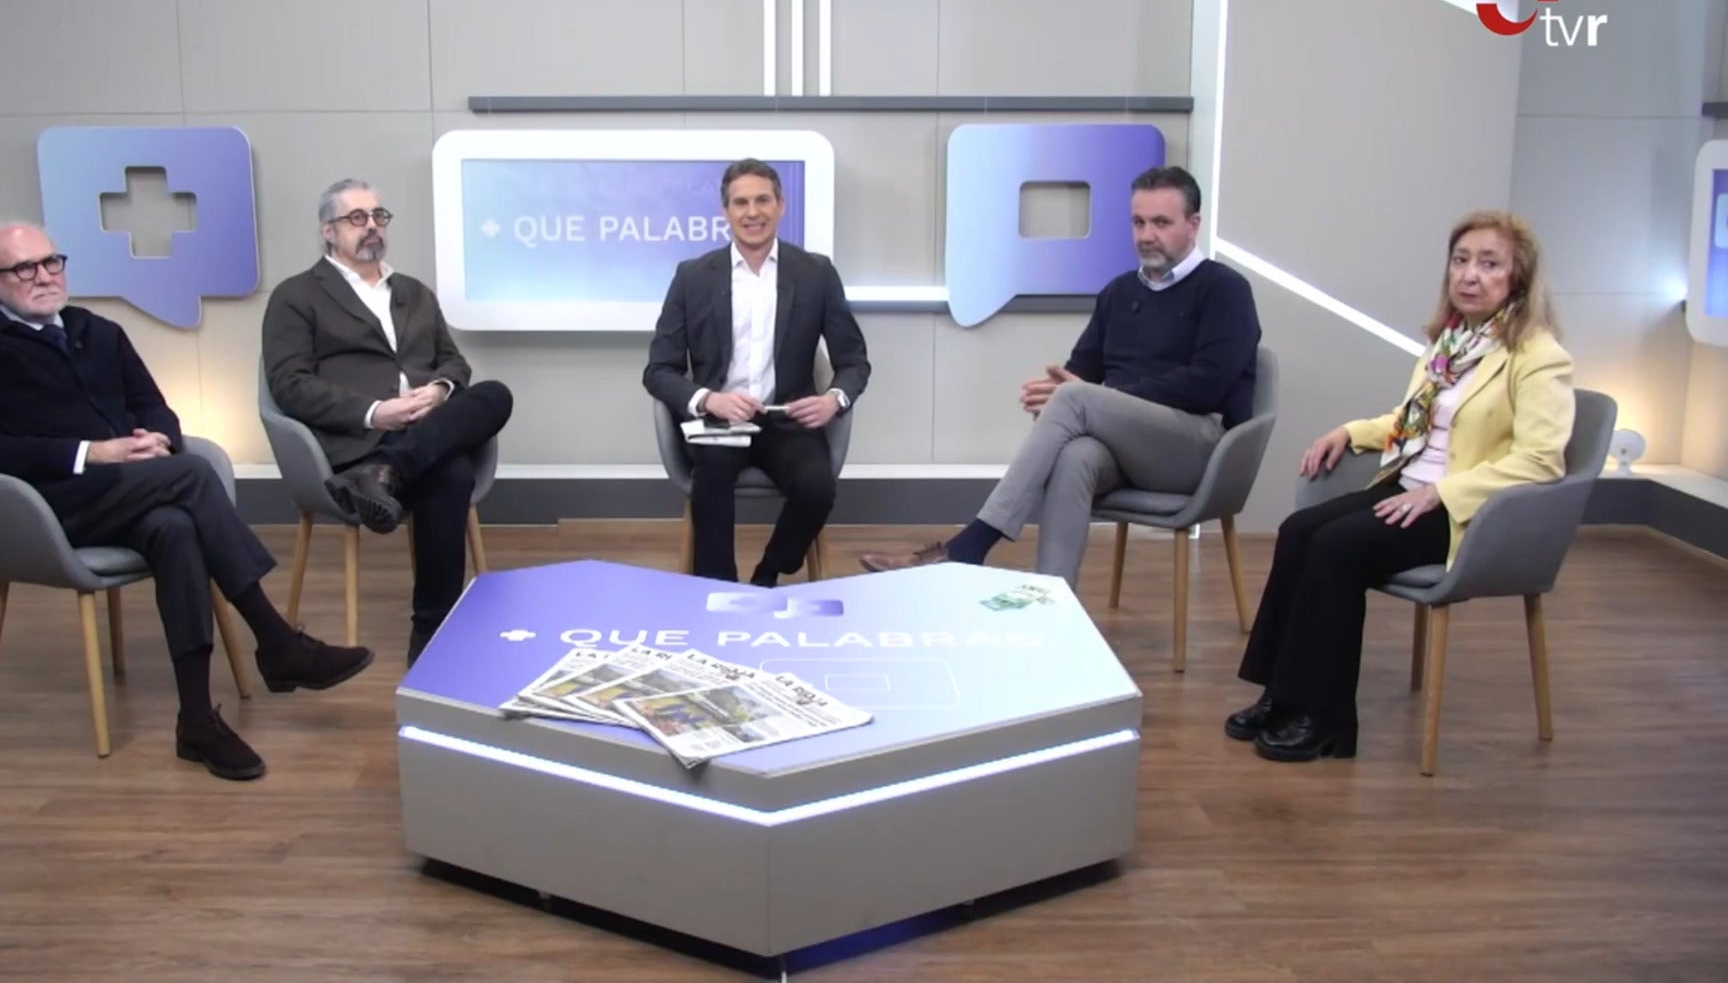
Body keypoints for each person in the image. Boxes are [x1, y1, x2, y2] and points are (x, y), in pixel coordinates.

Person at [0, 222, 374, 782]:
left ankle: (197, 721)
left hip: (131, 491)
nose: (43, 276)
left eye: (51, 262)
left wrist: (155, 440)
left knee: (175, 528)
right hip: (43, 508)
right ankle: (276, 640)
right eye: (23, 268)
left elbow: (154, 406)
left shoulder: (97, 331)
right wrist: (94, 453)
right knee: (191, 477)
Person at [1229, 210, 1573, 763]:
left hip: (1466, 511)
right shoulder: (1451, 343)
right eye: (1461, 260)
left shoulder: (1538, 356)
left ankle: (1327, 719)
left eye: (1489, 264)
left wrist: (1441, 493)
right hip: (1408, 485)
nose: (1470, 275)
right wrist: (1350, 432)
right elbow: (1412, 421)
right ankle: (1282, 695)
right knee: (1297, 531)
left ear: (1519, 278)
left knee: (1337, 548)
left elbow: (1541, 461)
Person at [860, 165, 1260, 581]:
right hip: (1132, 450)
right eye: (1138, 222)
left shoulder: (1225, 289)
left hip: (1198, 450)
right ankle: (1053, 596)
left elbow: (1208, 384)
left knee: (1075, 399)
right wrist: (1056, 393)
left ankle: (971, 545)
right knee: (1075, 456)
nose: (1146, 235)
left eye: (1161, 223)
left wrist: (1088, 398)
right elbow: (1082, 370)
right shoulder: (1120, 292)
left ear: (1193, 225)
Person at [262, 179, 513, 667]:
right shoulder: (296, 296)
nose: (372, 226)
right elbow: (289, 384)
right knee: (450, 474)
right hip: (359, 438)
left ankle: (388, 472)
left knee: (495, 394)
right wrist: (376, 411)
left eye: (379, 216)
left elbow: (453, 362)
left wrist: (438, 390)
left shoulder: (414, 293)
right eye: (357, 218)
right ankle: (432, 635)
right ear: (328, 231)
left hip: (423, 429)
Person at [643, 158, 872, 586]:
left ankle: (767, 576)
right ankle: (717, 591)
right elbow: (658, 369)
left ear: (781, 206)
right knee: (710, 481)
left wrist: (833, 399)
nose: (753, 212)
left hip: (787, 421)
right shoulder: (692, 277)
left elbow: (854, 361)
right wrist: (709, 400)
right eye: (741, 202)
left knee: (817, 488)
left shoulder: (816, 273)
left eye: (763, 200)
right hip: (720, 422)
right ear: (725, 211)